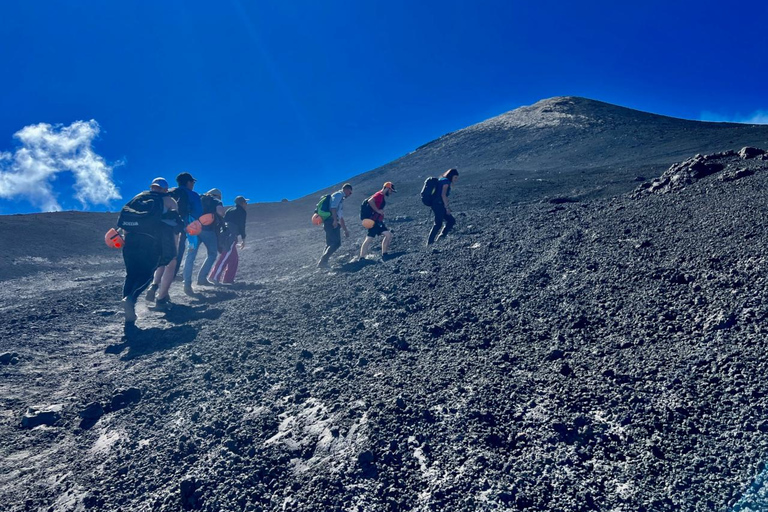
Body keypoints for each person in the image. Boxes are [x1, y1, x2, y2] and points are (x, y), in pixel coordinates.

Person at [120, 178, 173, 323]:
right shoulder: (166, 199)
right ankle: (130, 299)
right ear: (164, 189)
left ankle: (128, 313)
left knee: (131, 275)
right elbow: (176, 212)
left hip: (130, 241)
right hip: (150, 241)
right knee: (148, 274)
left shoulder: (138, 197)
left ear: (152, 187)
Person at [146, 172, 200, 302]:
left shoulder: (168, 193)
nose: (193, 184)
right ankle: (163, 295)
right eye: (192, 182)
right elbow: (198, 213)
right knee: (173, 262)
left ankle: (154, 286)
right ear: (188, 182)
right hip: (178, 231)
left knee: (162, 261)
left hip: (156, 231)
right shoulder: (192, 195)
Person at [186, 188, 226, 288]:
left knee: (190, 256)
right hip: (208, 230)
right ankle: (202, 279)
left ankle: (186, 283)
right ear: (218, 195)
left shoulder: (199, 198)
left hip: (194, 229)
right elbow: (221, 212)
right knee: (212, 254)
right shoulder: (215, 201)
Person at [209, 195, 249, 284]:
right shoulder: (242, 211)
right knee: (225, 256)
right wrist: (243, 239)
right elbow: (242, 226)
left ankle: (228, 279)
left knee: (233, 259)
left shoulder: (230, 210)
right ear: (242, 203)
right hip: (230, 236)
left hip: (223, 234)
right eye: (245, 202)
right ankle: (214, 277)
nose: (246, 204)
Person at [317, 183, 352, 268]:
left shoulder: (340, 198)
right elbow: (333, 208)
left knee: (330, 243)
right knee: (336, 243)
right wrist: (335, 221)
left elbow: (341, 217)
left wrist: (345, 230)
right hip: (331, 221)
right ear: (346, 190)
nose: (350, 195)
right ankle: (323, 262)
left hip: (329, 221)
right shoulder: (338, 195)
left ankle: (322, 263)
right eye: (350, 193)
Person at [360, 182, 396, 260]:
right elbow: (370, 201)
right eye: (391, 190)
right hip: (374, 221)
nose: (391, 193)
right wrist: (378, 211)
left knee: (388, 235)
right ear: (387, 188)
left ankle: (384, 254)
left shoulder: (381, 196)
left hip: (376, 221)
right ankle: (362, 257)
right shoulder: (379, 195)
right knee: (370, 238)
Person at [427, 168, 458, 245]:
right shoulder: (446, 182)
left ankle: (440, 238)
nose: (456, 179)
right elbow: (443, 195)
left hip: (438, 204)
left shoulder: (442, 180)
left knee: (451, 221)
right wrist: (447, 208)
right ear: (451, 176)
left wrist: (447, 206)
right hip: (438, 205)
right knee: (438, 224)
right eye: (455, 177)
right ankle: (430, 243)